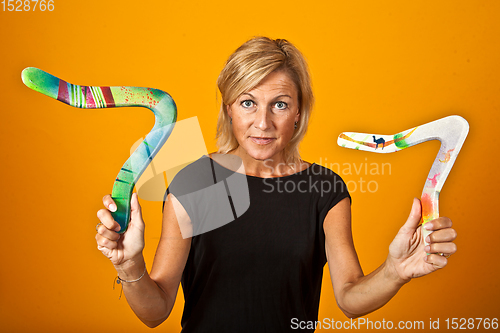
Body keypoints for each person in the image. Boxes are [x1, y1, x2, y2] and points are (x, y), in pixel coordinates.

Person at [95, 37, 457, 332]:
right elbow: (155, 311)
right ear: (229, 109)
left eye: (280, 105)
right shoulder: (198, 182)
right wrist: (129, 267)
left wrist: (395, 272)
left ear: (299, 111)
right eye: (248, 103)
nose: (263, 122)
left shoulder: (322, 188)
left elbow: (349, 298)